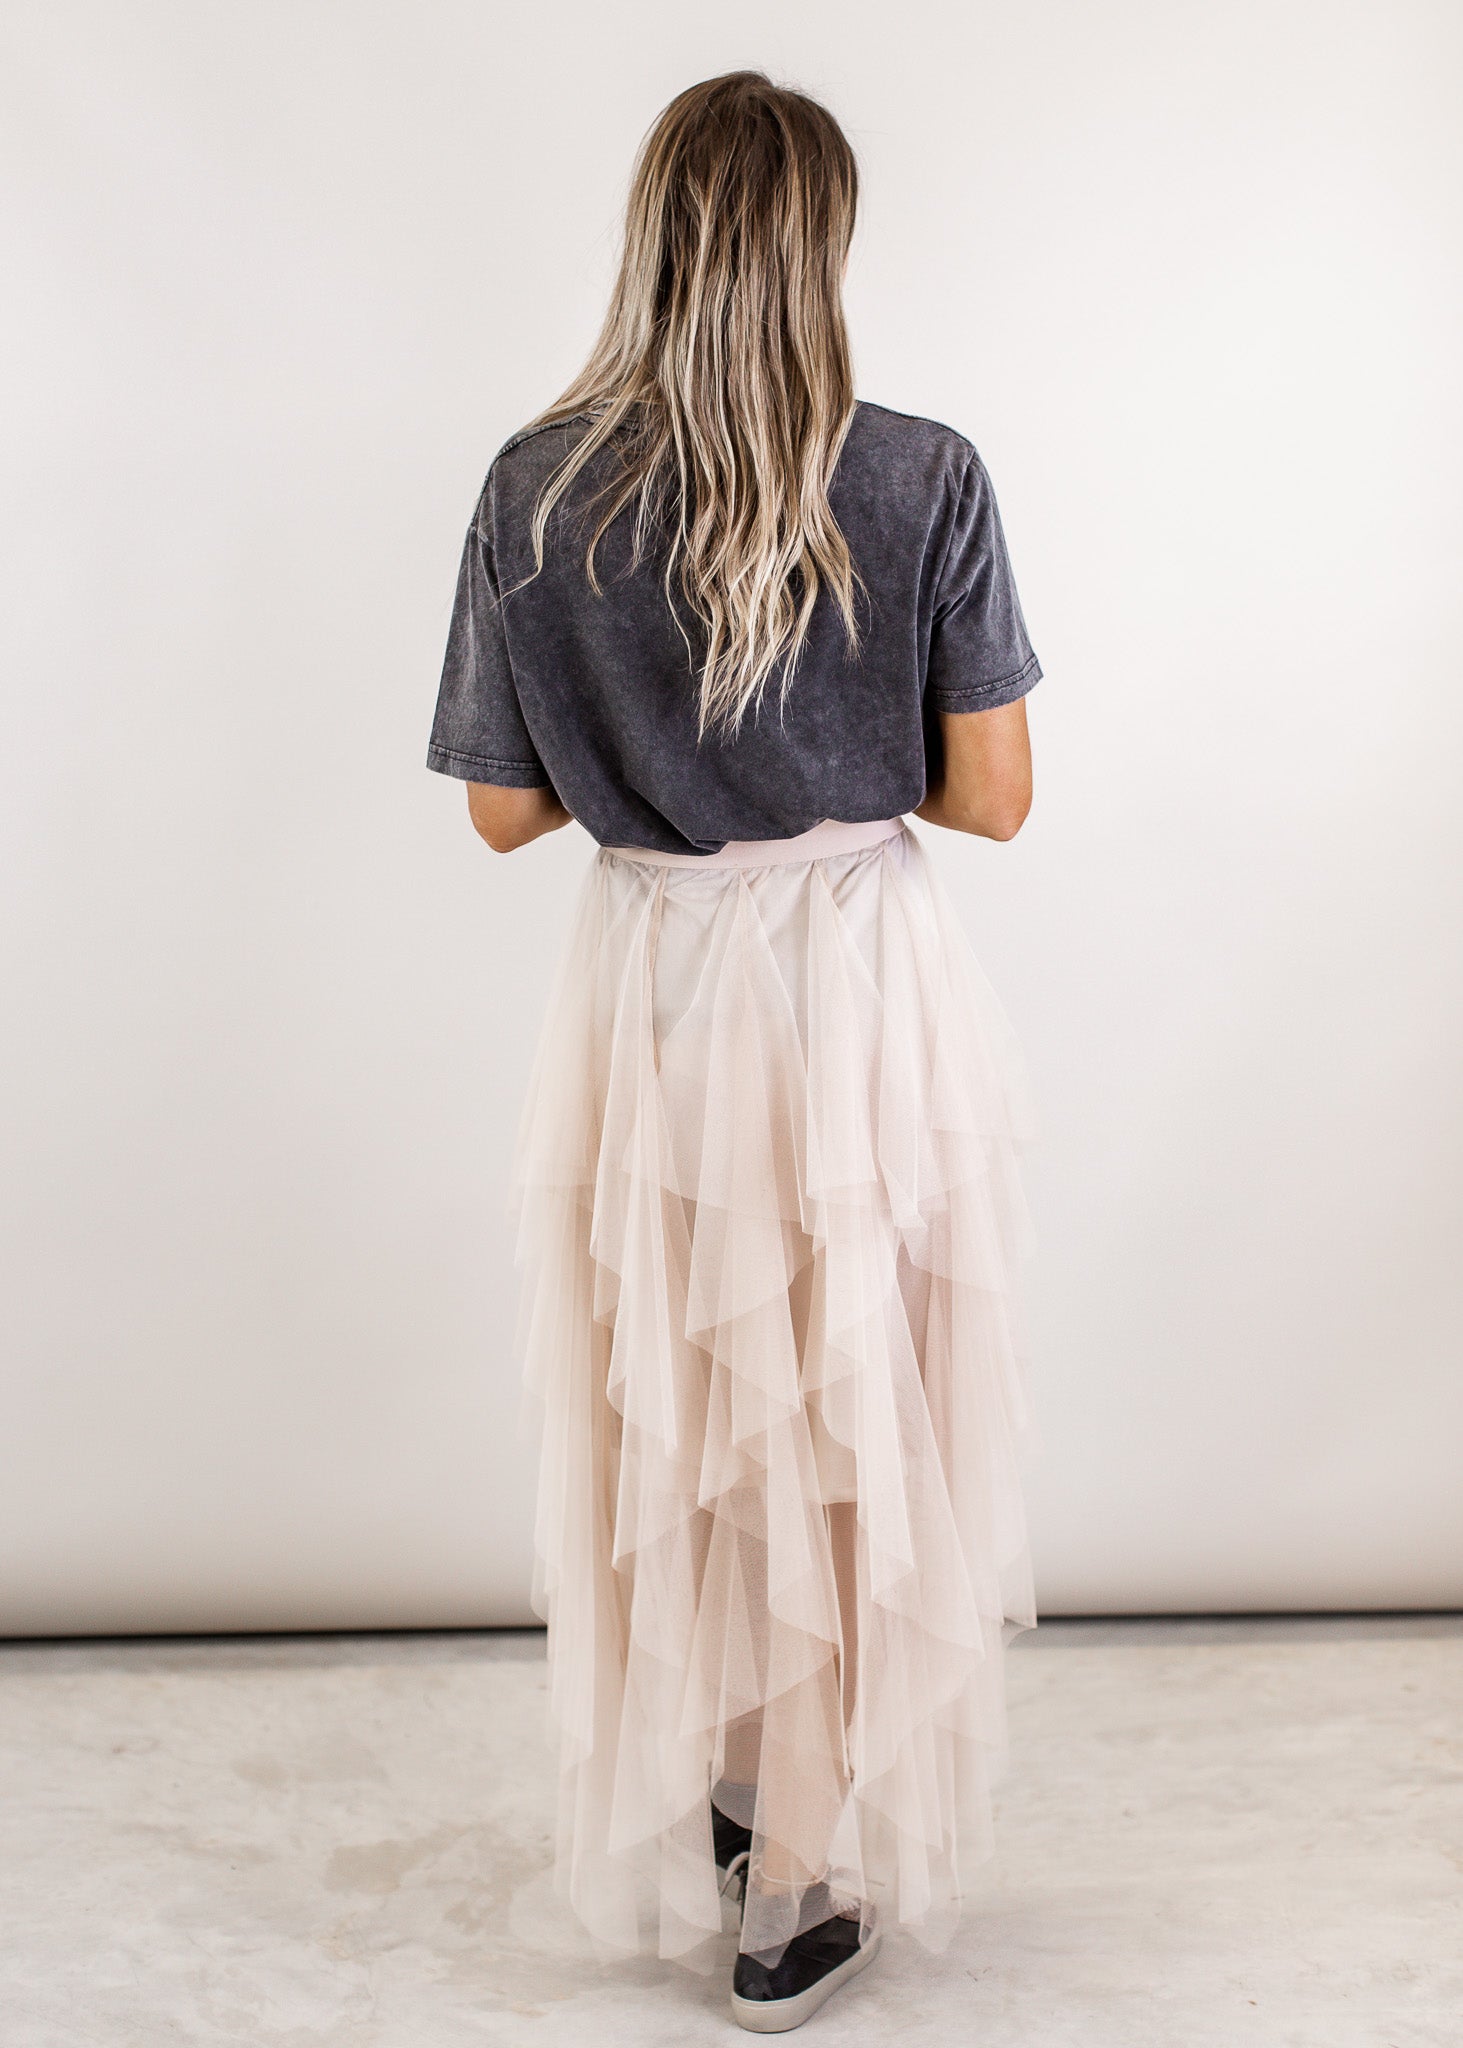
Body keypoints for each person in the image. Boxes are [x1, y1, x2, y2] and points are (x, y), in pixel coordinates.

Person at [426, 69, 1042, 2034]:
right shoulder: (924, 475)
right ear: (820, 246)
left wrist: (650, 749)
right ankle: (805, 1865)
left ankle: (740, 1788)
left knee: (689, 1392)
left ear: (658, 241)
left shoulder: (536, 485)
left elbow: (501, 812)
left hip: (661, 984)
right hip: (852, 977)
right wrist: (825, 740)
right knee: (855, 1391)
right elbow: (996, 797)